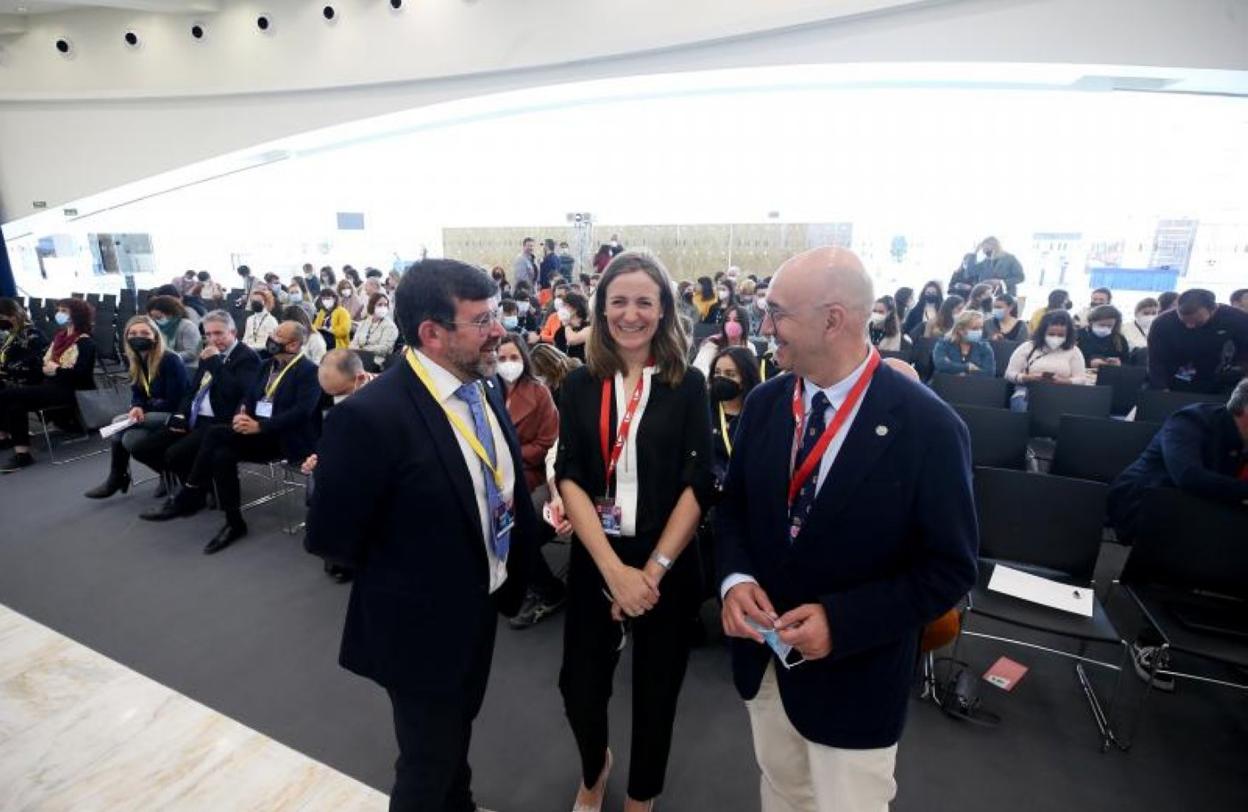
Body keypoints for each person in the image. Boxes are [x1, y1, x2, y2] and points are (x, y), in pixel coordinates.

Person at [716, 246, 977, 812]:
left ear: (833, 319)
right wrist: (734, 579)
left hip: (856, 681)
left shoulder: (928, 426)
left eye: (778, 313)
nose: (765, 327)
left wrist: (842, 621)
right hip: (764, 666)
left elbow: (950, 569)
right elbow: (733, 508)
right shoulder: (763, 404)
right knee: (782, 794)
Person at [305, 259, 537, 811]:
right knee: (425, 766)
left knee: (454, 741)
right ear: (432, 334)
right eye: (482, 321)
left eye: (497, 315)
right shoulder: (369, 417)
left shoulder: (482, 386)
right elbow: (333, 538)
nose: (499, 331)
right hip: (417, 629)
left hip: (482, 605)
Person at [554, 250, 713, 812]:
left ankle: (641, 796)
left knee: (656, 692)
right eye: (618, 301)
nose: (630, 314)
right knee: (580, 688)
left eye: (644, 301)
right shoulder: (579, 385)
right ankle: (595, 771)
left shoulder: (688, 384)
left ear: (664, 309)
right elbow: (567, 474)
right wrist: (613, 572)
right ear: (601, 308)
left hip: (665, 563)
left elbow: (700, 482)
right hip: (600, 556)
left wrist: (649, 574)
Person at [1109, 377, 1248, 692]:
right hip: (1148, 503)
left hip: (1208, 510)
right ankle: (1150, 638)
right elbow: (1187, 476)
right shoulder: (1191, 421)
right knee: (1185, 529)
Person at [150, 321, 322, 554]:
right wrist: (241, 414)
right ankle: (234, 522)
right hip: (257, 432)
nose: (271, 337)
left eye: (278, 335)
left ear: (293, 344)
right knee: (222, 454)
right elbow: (248, 397)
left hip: (286, 439)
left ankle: (190, 492)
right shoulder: (266, 365)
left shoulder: (309, 371)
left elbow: (301, 413)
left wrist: (260, 426)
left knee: (214, 433)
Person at [134, 311, 261, 511]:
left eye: (218, 333)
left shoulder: (246, 357)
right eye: (208, 335)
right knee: (142, 449)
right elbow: (191, 391)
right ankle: (199, 484)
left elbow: (236, 394)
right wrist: (181, 414)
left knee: (175, 454)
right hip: (194, 417)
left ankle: (200, 489)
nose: (212, 339)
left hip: (221, 421)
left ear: (233, 332)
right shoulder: (209, 353)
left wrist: (216, 363)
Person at [496, 333, 566, 630]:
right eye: (501, 359)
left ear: (524, 359)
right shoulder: (486, 390)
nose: (508, 364)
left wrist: (507, 455)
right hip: (493, 476)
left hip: (530, 474)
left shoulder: (539, 393)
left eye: (513, 358)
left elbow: (547, 443)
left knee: (515, 531)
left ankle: (549, 591)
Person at [84, 316, 191, 499]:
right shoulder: (135, 359)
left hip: (177, 415)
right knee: (130, 440)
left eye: (144, 333)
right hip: (151, 413)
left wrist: (145, 407)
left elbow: (176, 400)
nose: (137, 336)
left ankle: (117, 478)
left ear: (155, 336)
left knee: (118, 422)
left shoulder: (170, 359)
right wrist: (136, 406)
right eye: (132, 333)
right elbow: (138, 392)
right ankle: (165, 474)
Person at [0, 298, 97, 471]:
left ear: (77, 315)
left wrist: (56, 370)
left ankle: (9, 437)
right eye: (59, 309)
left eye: (64, 311)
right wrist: (50, 369)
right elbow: (43, 364)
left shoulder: (85, 341)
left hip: (71, 390)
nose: (59, 313)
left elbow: (81, 375)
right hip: (52, 384)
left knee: (7, 394)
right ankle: (22, 454)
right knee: (15, 403)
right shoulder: (60, 338)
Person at [1147, 288, 1248, 394]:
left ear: (1213, 310)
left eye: (1197, 322)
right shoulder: (1162, 323)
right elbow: (1156, 360)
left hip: (1220, 379)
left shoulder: (1237, 319)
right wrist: (1161, 390)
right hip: (1174, 376)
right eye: (1184, 321)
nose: (1190, 326)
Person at [1004, 309, 1087, 411]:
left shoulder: (1074, 351)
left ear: (1068, 335)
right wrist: (1028, 377)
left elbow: (1081, 379)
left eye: (1061, 335)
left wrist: (1066, 381)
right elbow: (1009, 374)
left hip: (1062, 394)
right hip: (1027, 393)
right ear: (1042, 332)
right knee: (1023, 407)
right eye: (1051, 334)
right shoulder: (1027, 347)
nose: (1055, 338)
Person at [709, 345, 761, 484]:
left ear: (745, 378)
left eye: (730, 374)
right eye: (717, 372)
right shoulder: (702, 408)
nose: (721, 378)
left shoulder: (758, 414)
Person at [693, 305, 756, 379]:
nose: (731, 324)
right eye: (727, 320)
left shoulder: (750, 347)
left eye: (736, 320)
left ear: (745, 324)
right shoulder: (712, 344)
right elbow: (700, 367)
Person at [0, 298, 49, 389]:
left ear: (13, 316)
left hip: (21, 385)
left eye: (1, 318)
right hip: (8, 381)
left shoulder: (32, 335)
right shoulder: (11, 334)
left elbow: (27, 367)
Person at [933, 309, 994, 377]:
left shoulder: (984, 347)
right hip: (946, 383)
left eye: (981, 328)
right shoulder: (944, 343)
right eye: (974, 329)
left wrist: (955, 369)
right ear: (960, 330)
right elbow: (941, 365)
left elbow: (989, 373)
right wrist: (967, 367)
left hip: (974, 385)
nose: (979, 332)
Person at [147, 295, 202, 366]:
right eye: (153, 317)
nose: (155, 320)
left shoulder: (187, 326)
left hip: (188, 367)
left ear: (170, 313)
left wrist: (167, 357)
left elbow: (192, 353)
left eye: (158, 317)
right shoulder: (158, 327)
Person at [350, 293, 400, 368]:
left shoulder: (391, 326)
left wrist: (363, 350)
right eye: (380, 305)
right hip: (358, 357)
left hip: (376, 361)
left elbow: (385, 348)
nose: (383, 307)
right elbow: (355, 340)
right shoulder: (365, 322)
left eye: (385, 305)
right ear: (372, 306)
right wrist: (355, 349)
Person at [553, 292, 592, 363]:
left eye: (565, 306)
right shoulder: (560, 331)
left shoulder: (589, 327)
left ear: (575, 308)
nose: (562, 309)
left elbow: (572, 340)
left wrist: (566, 324)